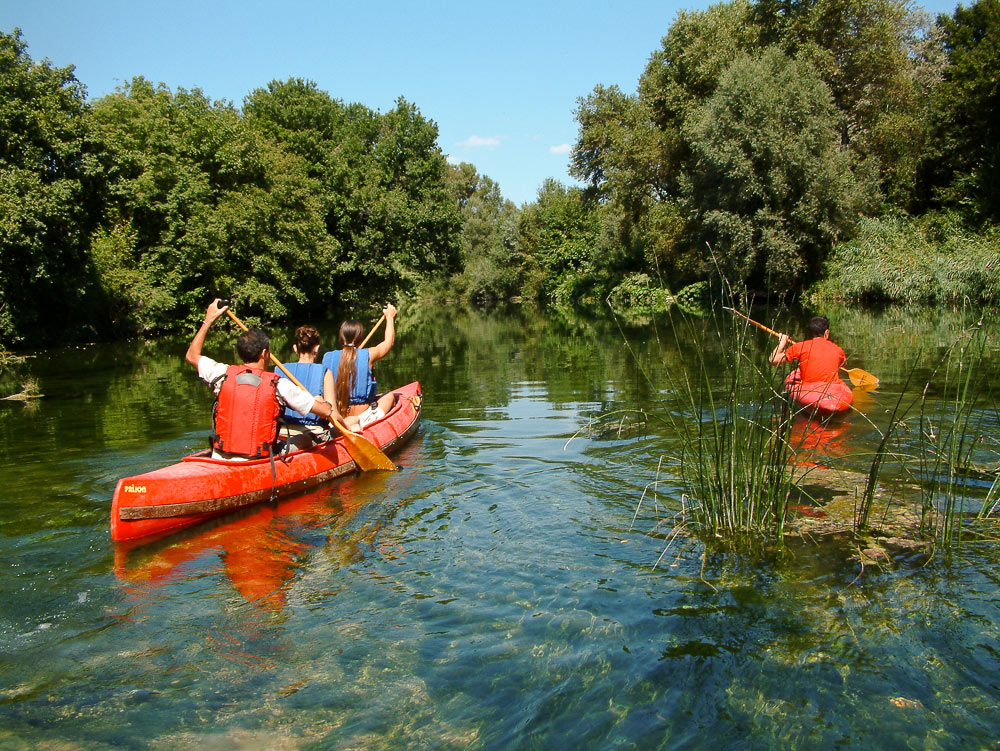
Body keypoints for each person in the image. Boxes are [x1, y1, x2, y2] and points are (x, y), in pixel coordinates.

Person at [184, 299, 336, 460]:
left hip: (220, 456)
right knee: (304, 438)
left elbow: (191, 356)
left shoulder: (221, 374)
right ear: (265, 354)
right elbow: (326, 411)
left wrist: (209, 319)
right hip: (259, 459)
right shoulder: (278, 384)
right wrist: (322, 402)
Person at [322, 303, 397, 428]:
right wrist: (389, 317)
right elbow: (389, 342)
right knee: (389, 397)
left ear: (341, 338)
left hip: (338, 419)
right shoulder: (368, 355)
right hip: (363, 418)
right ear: (360, 338)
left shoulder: (327, 357)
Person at [769, 315, 846, 383]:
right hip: (832, 392)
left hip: (809, 391)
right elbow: (844, 363)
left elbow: (773, 360)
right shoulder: (838, 350)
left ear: (809, 332)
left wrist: (782, 342)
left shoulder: (800, 347)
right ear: (827, 333)